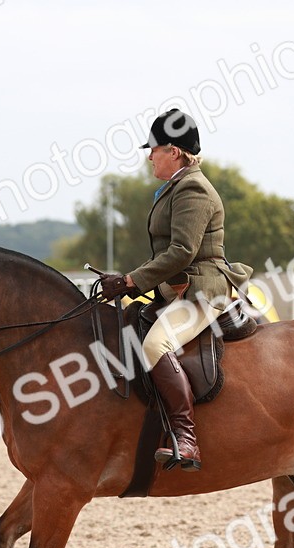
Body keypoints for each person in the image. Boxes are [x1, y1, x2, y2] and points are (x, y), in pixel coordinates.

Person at [99, 109, 253, 472]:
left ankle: (186, 438)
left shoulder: (194, 189)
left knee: (155, 345)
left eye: (154, 148)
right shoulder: (174, 188)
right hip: (177, 289)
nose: (149, 155)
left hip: (204, 290)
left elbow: (182, 251)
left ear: (174, 151)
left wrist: (131, 281)